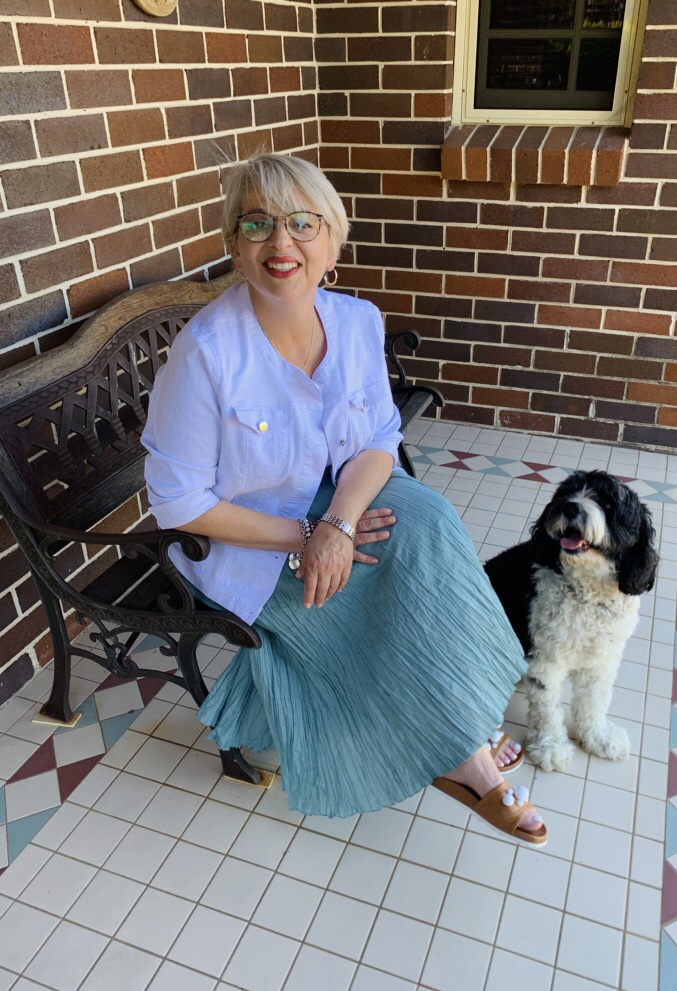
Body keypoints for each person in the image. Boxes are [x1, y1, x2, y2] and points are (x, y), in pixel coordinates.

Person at [142, 152, 547, 844]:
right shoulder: (207, 352)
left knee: (427, 525)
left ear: (334, 241)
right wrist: (306, 537)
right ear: (234, 245)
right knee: (358, 587)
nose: (282, 243)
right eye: (258, 223)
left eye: (304, 223)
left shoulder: (356, 321)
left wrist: (336, 521)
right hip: (243, 542)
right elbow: (177, 503)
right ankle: (465, 756)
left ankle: (460, 710)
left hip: (328, 503)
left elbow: (378, 439)